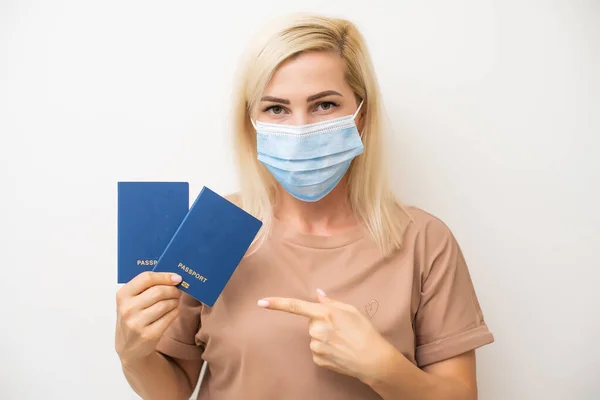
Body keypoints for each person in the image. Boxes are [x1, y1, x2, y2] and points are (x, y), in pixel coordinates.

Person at [115, 14, 494, 400]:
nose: (300, 130)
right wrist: (132, 352)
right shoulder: (212, 228)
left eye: (325, 105)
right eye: (276, 109)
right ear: (251, 121)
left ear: (361, 115)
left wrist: (384, 368)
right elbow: (173, 390)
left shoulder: (424, 240)